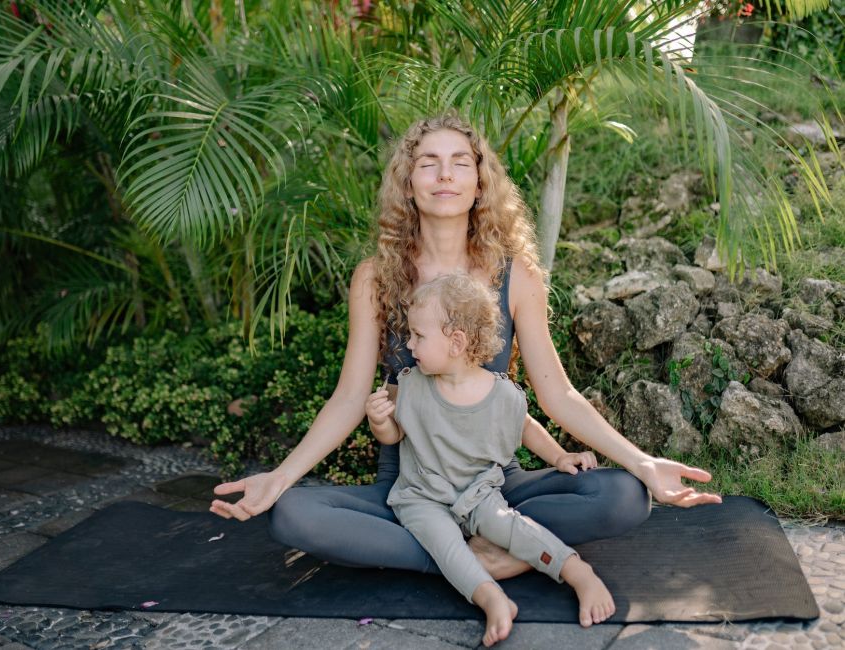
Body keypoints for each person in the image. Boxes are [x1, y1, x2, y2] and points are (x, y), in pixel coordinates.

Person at [211, 113, 721, 606]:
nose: (445, 174)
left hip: (497, 481)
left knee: (625, 497)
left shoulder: (516, 275)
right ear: (408, 184)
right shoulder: (374, 276)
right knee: (293, 516)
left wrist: (642, 461)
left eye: (460, 161)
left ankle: (466, 549)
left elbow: (556, 393)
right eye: (429, 162)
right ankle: (486, 557)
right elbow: (349, 398)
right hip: (410, 486)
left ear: (480, 183)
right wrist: (279, 477)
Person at [366, 272, 612, 645]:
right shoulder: (409, 384)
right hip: (423, 496)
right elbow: (395, 434)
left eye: (418, 335)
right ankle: (492, 598)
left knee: (511, 526)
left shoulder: (500, 394)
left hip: (479, 492)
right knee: (445, 544)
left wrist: (560, 456)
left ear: (456, 342)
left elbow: (526, 427)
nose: (409, 344)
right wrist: (379, 421)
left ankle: (578, 572)